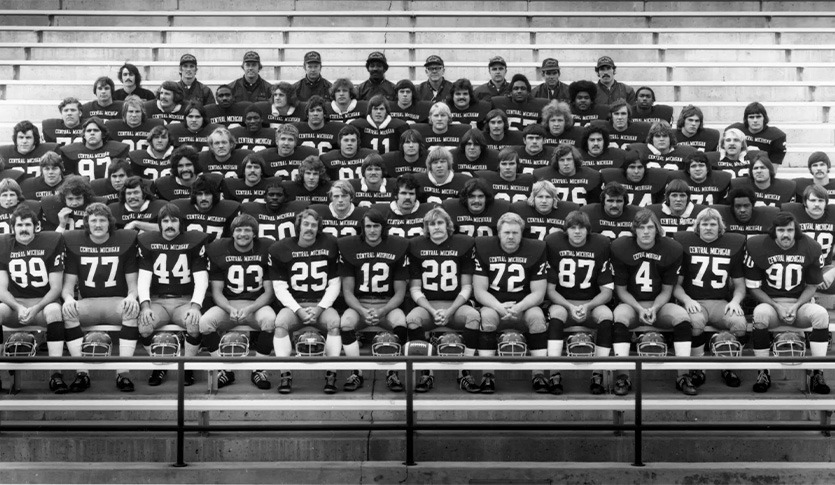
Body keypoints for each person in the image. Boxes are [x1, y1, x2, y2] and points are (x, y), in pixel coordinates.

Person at [611, 209, 695, 396]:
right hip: (632, 303)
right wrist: (640, 308)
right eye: (641, 228)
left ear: (657, 229)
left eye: (650, 227)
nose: (646, 231)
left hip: (660, 303)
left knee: (682, 317)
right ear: (635, 230)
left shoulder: (671, 248)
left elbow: (667, 290)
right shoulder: (621, 247)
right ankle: (623, 376)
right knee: (619, 317)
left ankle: (683, 375)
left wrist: (655, 308)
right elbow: (621, 290)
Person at [745, 211, 830, 394]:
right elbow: (753, 287)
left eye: (790, 230)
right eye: (781, 230)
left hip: (798, 304)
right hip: (771, 304)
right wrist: (776, 306)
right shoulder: (757, 246)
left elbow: (812, 286)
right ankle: (763, 372)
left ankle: (817, 373)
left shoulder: (811, 247)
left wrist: (796, 305)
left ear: (796, 231)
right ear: (774, 231)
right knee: (759, 314)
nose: (786, 234)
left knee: (821, 315)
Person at [61, 203, 140, 392]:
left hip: (116, 302)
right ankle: (82, 373)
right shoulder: (75, 243)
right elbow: (67, 288)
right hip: (88, 303)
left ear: (109, 223)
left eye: (102, 220)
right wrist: (69, 299)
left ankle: (123, 372)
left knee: (132, 308)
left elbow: (133, 286)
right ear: (86, 223)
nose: (98, 224)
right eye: (93, 220)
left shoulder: (124, 241)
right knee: (67, 311)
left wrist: (131, 297)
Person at [471, 212, 549, 393]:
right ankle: (487, 375)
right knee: (487, 317)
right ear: (498, 233)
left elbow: (539, 292)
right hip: (494, 304)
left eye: (515, 233)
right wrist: (499, 307)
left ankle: (538, 374)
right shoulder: (484, 247)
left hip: (525, 305)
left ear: (522, 234)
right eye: (506, 232)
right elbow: (480, 290)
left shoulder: (536, 249)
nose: (511, 237)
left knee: (537, 318)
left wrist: (518, 307)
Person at [406, 208, 480, 393]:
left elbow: (466, 287)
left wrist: (450, 311)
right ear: (426, 228)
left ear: (448, 225)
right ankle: (426, 372)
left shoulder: (463, 244)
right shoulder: (416, 246)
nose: (436, 227)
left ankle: (464, 372)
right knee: (412, 320)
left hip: (455, 305)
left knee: (473, 316)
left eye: (440, 223)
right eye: (432, 224)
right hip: (428, 305)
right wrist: (432, 311)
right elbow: (415, 288)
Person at [199, 213, 276, 390]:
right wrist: (227, 307)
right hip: (229, 303)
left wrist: (251, 308)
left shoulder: (265, 248)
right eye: (239, 230)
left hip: (256, 304)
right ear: (232, 233)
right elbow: (217, 291)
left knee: (270, 320)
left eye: (247, 230)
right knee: (205, 322)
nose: (243, 234)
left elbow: (269, 292)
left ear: (255, 233)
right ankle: (224, 369)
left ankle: (258, 369)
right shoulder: (219, 249)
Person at [136, 203, 209, 387]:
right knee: (144, 325)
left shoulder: (193, 241)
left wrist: (195, 306)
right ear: (159, 224)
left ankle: (188, 366)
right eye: (165, 221)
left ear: (180, 223)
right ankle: (159, 364)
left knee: (194, 323)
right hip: (158, 301)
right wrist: (145, 305)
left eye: (174, 220)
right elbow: (144, 278)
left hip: (184, 300)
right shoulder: (147, 241)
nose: (169, 225)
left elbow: (201, 279)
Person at [673, 209, 747, 388]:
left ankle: (728, 366)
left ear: (720, 227)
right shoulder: (685, 244)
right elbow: (675, 285)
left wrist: (735, 301)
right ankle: (699, 368)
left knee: (739, 322)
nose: (708, 228)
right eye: (704, 224)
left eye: (713, 224)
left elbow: (740, 286)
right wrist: (687, 300)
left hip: (720, 302)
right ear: (697, 227)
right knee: (696, 321)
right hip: (695, 301)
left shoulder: (732, 245)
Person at [270, 209, 342, 393]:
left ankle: (331, 374)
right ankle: (285, 374)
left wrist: (320, 308)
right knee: (280, 324)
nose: (309, 228)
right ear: (298, 226)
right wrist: (297, 310)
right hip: (295, 304)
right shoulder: (281, 248)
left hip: (321, 303)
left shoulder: (330, 244)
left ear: (318, 228)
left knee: (335, 323)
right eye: (306, 224)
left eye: (313, 225)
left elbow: (334, 284)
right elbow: (279, 288)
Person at [338, 209, 410, 392]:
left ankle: (392, 373)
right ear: (362, 228)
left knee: (401, 322)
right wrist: (362, 311)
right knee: (346, 322)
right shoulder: (350, 247)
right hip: (359, 303)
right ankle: (356, 372)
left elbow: (400, 293)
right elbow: (347, 291)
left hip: (387, 303)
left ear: (383, 228)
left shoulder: (397, 246)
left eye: (376, 226)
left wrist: (383, 311)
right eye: (368, 226)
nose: (371, 230)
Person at [544, 210, 614, 395]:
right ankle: (555, 373)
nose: (577, 232)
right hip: (563, 301)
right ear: (566, 230)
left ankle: (598, 373)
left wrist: (588, 306)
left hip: (591, 302)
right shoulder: (553, 243)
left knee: (607, 316)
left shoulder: (601, 245)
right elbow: (550, 290)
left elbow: (607, 291)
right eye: (573, 228)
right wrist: (570, 306)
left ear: (588, 230)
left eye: (581, 228)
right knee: (557, 315)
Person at [0, 205, 66, 393]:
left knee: (54, 311)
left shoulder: (51, 241)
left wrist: (36, 308)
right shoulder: (4, 244)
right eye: (19, 225)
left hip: (43, 304)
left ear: (36, 227)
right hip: (15, 304)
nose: (23, 229)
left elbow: (56, 288)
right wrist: (18, 307)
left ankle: (56, 374)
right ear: (12, 228)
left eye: (28, 224)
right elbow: (1, 288)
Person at [783, 185, 835, 289]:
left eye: (821, 200)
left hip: (823, 268)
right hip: (796, 265)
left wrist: (833, 272)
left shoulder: (833, 214)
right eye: (812, 200)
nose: (816, 204)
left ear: (826, 203)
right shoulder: (791, 212)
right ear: (805, 202)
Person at [173, 174, 241, 242]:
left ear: (214, 195)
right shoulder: (181, 208)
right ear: (194, 196)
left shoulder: (227, 209)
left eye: (207, 194)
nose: (203, 198)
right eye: (199, 194)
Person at [58, 116, 130, 180]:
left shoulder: (117, 149)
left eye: (96, 130)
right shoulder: (70, 152)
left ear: (103, 134)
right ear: (84, 135)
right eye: (88, 131)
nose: (92, 133)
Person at [533, 144, 601, 206]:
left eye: (569, 159)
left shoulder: (591, 175)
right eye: (562, 160)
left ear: (575, 160)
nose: (566, 163)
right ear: (557, 162)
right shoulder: (544, 175)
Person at [511, 180, 579, 240]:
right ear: (533, 198)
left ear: (554, 199)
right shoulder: (520, 210)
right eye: (540, 197)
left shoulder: (567, 210)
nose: (544, 201)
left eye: (548, 197)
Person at [442, 177, 509, 238]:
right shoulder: (451, 208)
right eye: (472, 196)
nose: (476, 201)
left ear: (486, 198)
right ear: (466, 198)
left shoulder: (499, 209)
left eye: (480, 196)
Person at [372, 173, 435, 238]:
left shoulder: (428, 212)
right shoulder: (383, 212)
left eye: (411, 194)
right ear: (396, 195)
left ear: (416, 196)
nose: (408, 197)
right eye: (403, 193)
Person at [726, 101, 787, 167]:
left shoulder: (777, 136)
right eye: (751, 117)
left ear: (764, 118)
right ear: (746, 119)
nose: (755, 120)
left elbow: (773, 168)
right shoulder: (735, 130)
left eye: (758, 117)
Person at [241, 181, 307, 241]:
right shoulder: (251, 209)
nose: (275, 198)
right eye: (271, 195)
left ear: (285, 198)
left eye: (279, 195)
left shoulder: (298, 208)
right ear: (265, 197)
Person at [728, 154, 795, 207]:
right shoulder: (739, 185)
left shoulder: (786, 186)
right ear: (751, 172)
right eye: (755, 168)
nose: (759, 171)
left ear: (770, 170)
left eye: (763, 168)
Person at [668, 151, 732, 206]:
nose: (697, 169)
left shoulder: (720, 179)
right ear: (688, 170)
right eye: (693, 166)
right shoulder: (677, 179)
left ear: (707, 168)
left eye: (701, 165)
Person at [629, 121, 698, 171]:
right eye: (657, 136)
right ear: (651, 139)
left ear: (670, 138)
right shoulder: (641, 151)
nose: (661, 139)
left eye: (665, 136)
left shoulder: (684, 152)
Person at [600, 156, 667, 207]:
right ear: (625, 169)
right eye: (632, 167)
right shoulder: (611, 177)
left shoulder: (657, 179)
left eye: (640, 167)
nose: (636, 171)